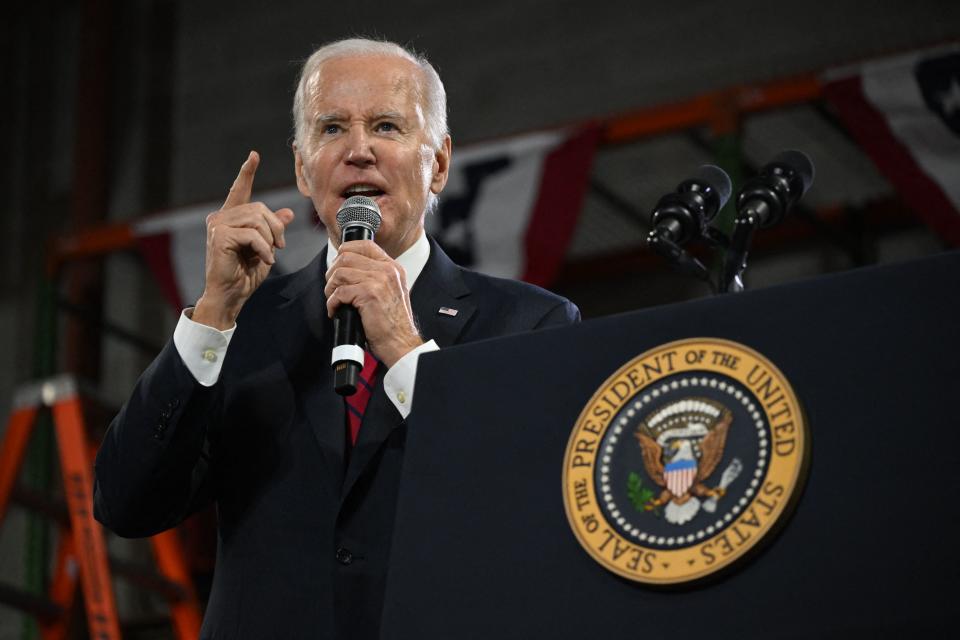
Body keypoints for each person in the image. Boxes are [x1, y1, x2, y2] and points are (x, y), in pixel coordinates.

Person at [94, 38, 579, 639]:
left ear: (440, 163)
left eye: (386, 126)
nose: (358, 151)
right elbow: (126, 504)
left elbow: (527, 516)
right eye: (331, 129)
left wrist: (406, 354)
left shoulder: (532, 325)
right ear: (302, 168)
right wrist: (211, 314)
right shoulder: (240, 323)